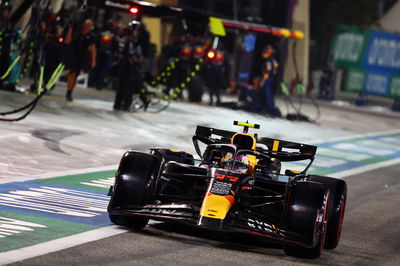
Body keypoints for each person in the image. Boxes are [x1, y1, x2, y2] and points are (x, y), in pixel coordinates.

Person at [113, 21, 147, 111]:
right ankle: (122, 104)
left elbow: (139, 55)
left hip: (132, 67)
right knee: (125, 86)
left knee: (131, 86)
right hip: (126, 66)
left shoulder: (135, 41)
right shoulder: (127, 41)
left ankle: (124, 104)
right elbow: (127, 54)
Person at [65, 18, 97, 101]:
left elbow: (93, 48)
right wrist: (70, 29)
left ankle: (70, 91)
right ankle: (68, 90)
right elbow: (68, 41)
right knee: (72, 72)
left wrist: (93, 60)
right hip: (74, 54)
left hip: (82, 56)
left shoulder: (90, 36)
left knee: (76, 75)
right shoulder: (77, 33)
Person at [259, 45, 279, 116]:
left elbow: (268, 72)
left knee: (268, 95)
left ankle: (270, 109)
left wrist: (263, 81)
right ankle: (269, 108)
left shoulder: (269, 61)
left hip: (268, 79)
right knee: (269, 94)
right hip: (272, 79)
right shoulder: (273, 60)